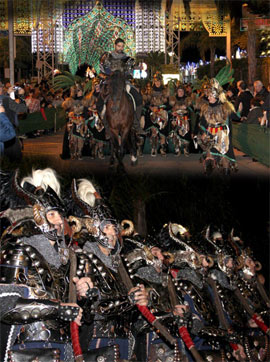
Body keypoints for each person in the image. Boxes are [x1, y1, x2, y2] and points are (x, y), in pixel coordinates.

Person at [0, 168, 82, 362]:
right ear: (38, 217)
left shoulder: (66, 259)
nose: (58, 222)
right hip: (29, 346)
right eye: (51, 214)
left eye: (60, 216)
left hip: (63, 346)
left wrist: (80, 299)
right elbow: (4, 305)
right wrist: (57, 309)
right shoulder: (19, 249)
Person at [70, 179, 149, 361]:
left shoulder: (121, 263)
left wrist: (143, 298)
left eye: (114, 227)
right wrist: (128, 300)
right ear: (95, 229)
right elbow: (91, 310)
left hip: (124, 340)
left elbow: (135, 305)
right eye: (107, 227)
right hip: (98, 340)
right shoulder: (84, 258)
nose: (113, 233)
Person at [98, 37, 146, 136]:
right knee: (99, 101)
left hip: (124, 83)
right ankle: (106, 127)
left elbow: (131, 72)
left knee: (138, 98)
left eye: (122, 46)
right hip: (111, 83)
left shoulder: (127, 59)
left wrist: (138, 69)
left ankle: (136, 125)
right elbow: (103, 69)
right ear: (115, 46)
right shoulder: (108, 57)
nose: (121, 48)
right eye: (119, 46)